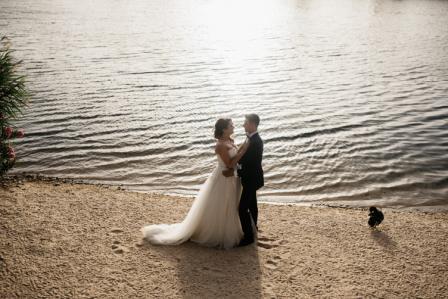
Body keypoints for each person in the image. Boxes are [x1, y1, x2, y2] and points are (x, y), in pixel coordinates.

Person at [141, 118, 249, 249]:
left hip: (232, 178)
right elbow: (229, 164)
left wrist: (243, 146)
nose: (233, 126)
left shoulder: (230, 140)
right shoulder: (220, 145)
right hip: (223, 178)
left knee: (232, 203)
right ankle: (218, 233)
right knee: (222, 204)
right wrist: (243, 151)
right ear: (224, 129)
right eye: (231, 125)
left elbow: (234, 157)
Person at [237, 114, 264, 246]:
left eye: (245, 123)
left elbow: (247, 161)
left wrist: (235, 168)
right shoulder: (250, 139)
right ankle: (254, 228)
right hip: (251, 178)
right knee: (252, 204)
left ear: (253, 124)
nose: (243, 125)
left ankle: (248, 237)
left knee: (242, 209)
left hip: (251, 179)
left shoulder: (256, 142)